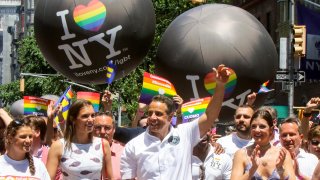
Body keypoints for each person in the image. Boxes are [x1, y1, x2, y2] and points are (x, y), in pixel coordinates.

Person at [120, 64, 230, 179]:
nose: (152, 117)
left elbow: (209, 116)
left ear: (170, 116)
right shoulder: (133, 146)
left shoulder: (185, 134)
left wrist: (220, 86)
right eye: (150, 113)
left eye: (158, 114)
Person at [46, 99, 114, 180]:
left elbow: (110, 178)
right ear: (73, 119)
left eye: (93, 115)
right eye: (85, 116)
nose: (91, 119)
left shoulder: (103, 144)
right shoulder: (58, 146)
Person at [231, 109, 295, 180]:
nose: (257, 130)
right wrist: (252, 169)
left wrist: (280, 169)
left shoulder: (282, 154)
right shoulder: (241, 154)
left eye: (262, 126)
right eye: (253, 126)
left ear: (271, 129)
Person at [94, 111, 124, 180]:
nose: (102, 132)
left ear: (114, 130)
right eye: (98, 127)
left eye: (107, 128)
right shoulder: (81, 152)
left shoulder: (125, 153)